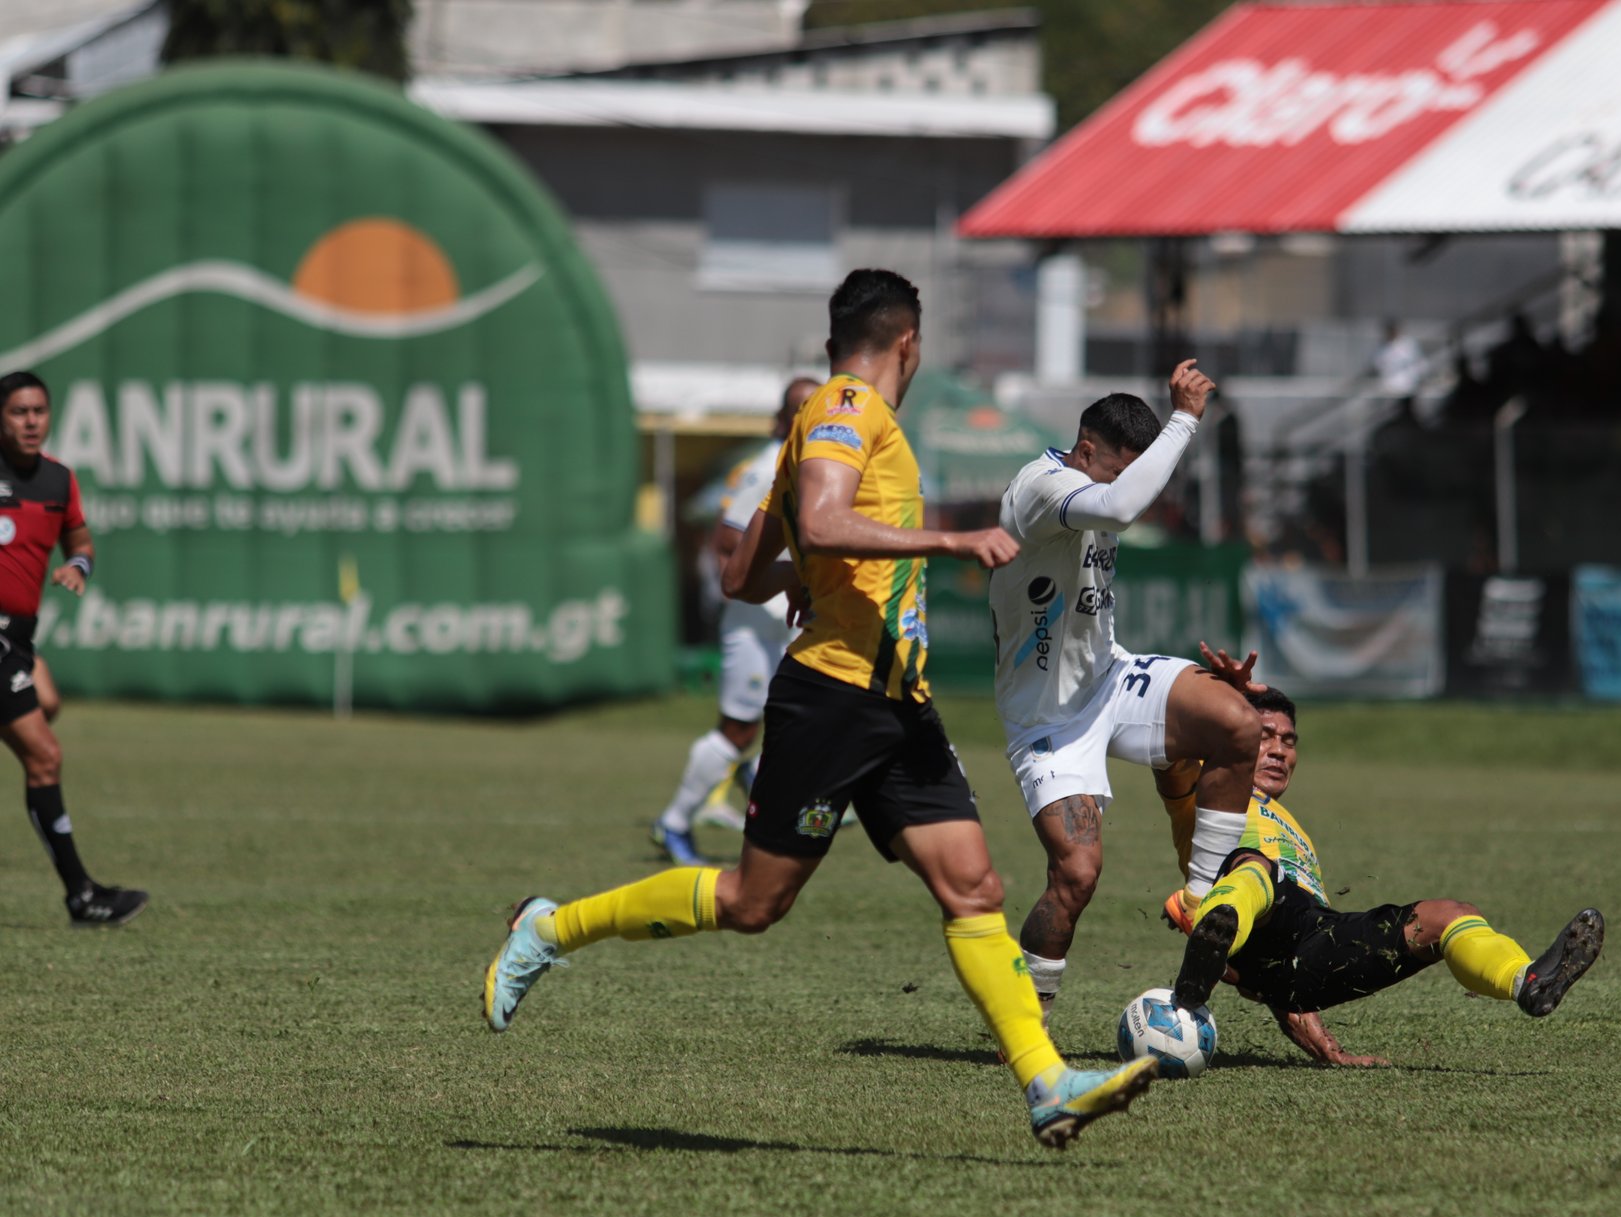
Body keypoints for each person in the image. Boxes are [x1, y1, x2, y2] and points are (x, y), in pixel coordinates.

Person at [480, 270, 1157, 1150]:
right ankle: (549, 927)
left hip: (897, 701)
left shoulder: (824, 418)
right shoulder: (848, 407)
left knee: (974, 885)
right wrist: (945, 538)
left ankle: (1046, 1084)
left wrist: (803, 571)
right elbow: (827, 517)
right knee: (754, 900)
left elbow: (740, 575)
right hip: (835, 694)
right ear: (907, 342)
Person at [987, 360, 1263, 1016]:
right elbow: (1120, 502)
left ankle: (1199, 900)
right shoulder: (1039, 486)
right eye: (1119, 466)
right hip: (1045, 715)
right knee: (1076, 875)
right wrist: (1185, 420)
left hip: (1111, 676)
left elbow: (1122, 493)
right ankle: (1027, 1025)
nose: (1128, 483)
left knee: (1239, 722)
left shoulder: (1098, 477)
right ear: (1087, 451)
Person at [1161, 683, 1603, 1064]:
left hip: (1305, 941)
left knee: (1448, 915)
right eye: (1264, 736)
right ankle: (1212, 938)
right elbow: (1167, 742)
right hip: (1249, 908)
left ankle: (1526, 982)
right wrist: (1222, 690)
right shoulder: (1207, 788)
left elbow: (1288, 967)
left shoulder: (1295, 831)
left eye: (1290, 741)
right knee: (1257, 868)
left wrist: (1328, 1049)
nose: (1279, 749)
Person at [0, 372, 148, 926]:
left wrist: (78, 564)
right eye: (18, 412)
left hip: (16, 637)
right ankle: (81, 895)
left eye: (39, 410)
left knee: (49, 705)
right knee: (45, 755)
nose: (32, 421)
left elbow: (79, 540)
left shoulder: (59, 480)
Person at [652, 375, 819, 863]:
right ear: (785, 419)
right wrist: (774, 588)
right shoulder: (769, 467)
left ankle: (760, 788)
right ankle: (674, 821)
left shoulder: (821, 468)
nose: (816, 416)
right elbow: (728, 546)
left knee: (809, 714)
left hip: (793, 619)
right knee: (739, 729)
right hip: (755, 620)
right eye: (803, 408)